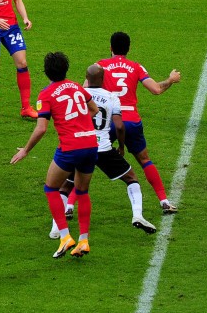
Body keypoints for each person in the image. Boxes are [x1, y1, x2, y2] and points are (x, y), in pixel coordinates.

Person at [51, 64, 157, 240]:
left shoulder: (78, 95)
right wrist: (122, 146)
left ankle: (56, 228)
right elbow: (120, 126)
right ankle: (137, 214)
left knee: (65, 186)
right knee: (131, 178)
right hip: (104, 148)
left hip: (80, 146)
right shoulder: (111, 97)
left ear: (86, 78)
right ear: (103, 79)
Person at [11, 52, 99, 259]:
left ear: (46, 72)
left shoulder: (46, 94)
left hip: (70, 147)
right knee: (82, 191)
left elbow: (41, 129)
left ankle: (65, 237)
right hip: (90, 143)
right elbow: (93, 110)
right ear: (65, 70)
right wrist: (79, 123)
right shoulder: (77, 86)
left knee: (51, 188)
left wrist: (25, 150)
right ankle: (84, 241)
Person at [97, 32, 182, 214]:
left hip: (109, 121)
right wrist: (171, 80)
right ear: (128, 49)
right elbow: (156, 90)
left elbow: (87, 92)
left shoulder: (100, 66)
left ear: (110, 47)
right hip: (132, 122)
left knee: (86, 158)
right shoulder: (135, 67)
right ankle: (164, 201)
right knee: (144, 160)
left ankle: (70, 204)